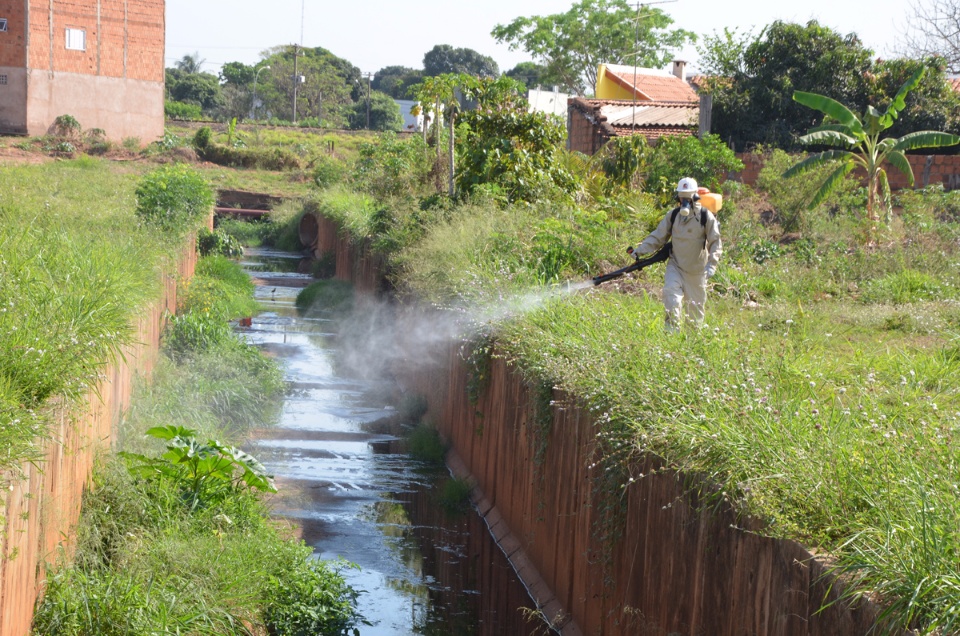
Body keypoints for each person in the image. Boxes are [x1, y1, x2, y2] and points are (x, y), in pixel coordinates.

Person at [629, 177, 722, 331]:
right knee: (671, 299)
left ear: (695, 195)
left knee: (694, 318)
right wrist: (640, 251)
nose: (684, 199)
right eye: (681, 195)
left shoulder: (705, 217)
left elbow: (715, 242)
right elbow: (658, 236)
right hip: (676, 266)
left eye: (688, 195)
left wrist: (711, 265)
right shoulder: (673, 216)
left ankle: (691, 346)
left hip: (697, 272)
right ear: (678, 196)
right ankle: (671, 336)